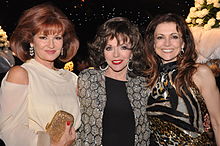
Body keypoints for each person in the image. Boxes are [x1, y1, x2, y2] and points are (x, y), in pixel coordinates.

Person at [0, 3, 81, 146]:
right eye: (43, 37)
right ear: (31, 41)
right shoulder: (21, 74)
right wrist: (50, 144)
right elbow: (9, 130)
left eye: (57, 38)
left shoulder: (72, 79)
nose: (51, 45)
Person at [144, 13, 220, 145]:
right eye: (160, 37)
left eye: (174, 37)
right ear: (153, 43)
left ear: (183, 42)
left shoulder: (199, 73)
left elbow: (217, 122)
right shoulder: (148, 78)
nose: (167, 43)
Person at [76, 17, 150, 145]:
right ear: (102, 51)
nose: (116, 55)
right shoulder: (87, 79)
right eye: (109, 48)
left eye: (123, 47)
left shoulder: (143, 84)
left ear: (132, 52)